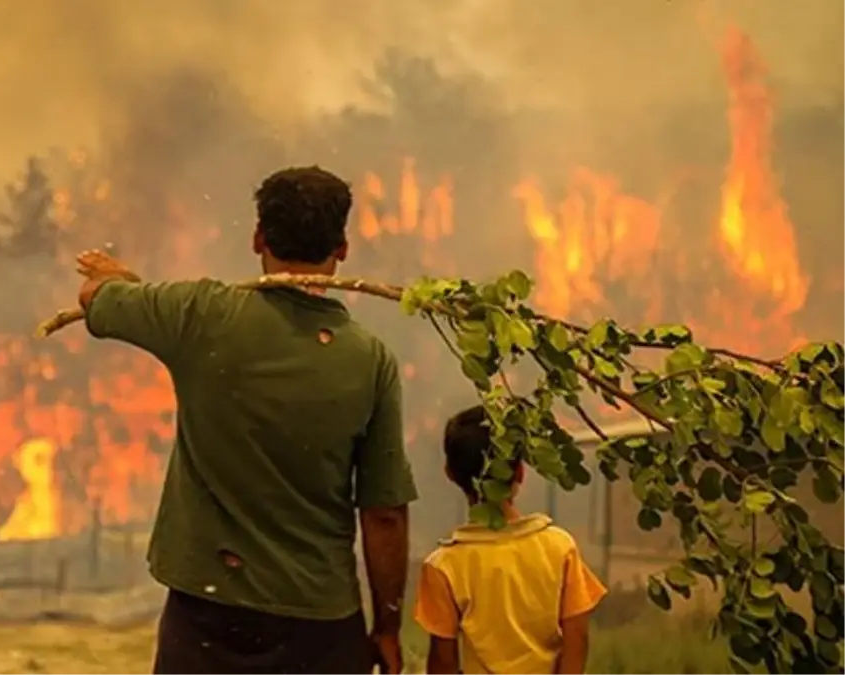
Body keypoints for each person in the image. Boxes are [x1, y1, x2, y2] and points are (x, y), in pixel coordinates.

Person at [74, 165, 418, 675]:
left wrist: (118, 282)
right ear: (342, 248)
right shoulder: (370, 361)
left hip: (207, 618)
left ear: (258, 237)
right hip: (319, 626)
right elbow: (384, 512)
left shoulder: (197, 315)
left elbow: (94, 299)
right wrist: (387, 626)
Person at [414, 406, 608, 675]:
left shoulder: (444, 566)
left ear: (450, 473)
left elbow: (443, 661)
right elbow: (577, 640)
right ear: (520, 472)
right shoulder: (560, 547)